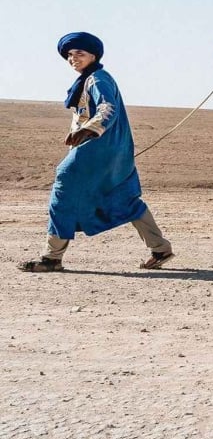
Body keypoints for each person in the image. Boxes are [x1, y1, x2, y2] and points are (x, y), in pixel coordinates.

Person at [17, 33, 174, 272]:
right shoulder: (91, 78)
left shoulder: (97, 79)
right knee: (124, 199)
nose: (73, 58)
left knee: (63, 188)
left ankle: (51, 258)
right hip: (114, 152)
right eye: (70, 55)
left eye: (79, 53)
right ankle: (160, 248)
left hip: (96, 149)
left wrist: (88, 130)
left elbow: (106, 108)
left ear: (93, 55)